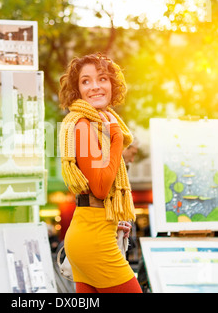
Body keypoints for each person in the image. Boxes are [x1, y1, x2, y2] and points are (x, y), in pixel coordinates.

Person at [59, 53, 142, 293]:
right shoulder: (84, 127)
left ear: (112, 85)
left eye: (102, 79)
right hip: (93, 239)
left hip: (94, 230)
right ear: (77, 90)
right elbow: (100, 188)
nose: (95, 86)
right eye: (85, 81)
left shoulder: (95, 125)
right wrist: (116, 137)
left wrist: (114, 220)